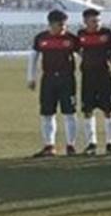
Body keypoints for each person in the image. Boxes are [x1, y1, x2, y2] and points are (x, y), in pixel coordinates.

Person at [27, 10, 80, 157]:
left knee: (69, 112)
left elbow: (83, 54)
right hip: (48, 79)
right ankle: (49, 146)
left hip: (67, 79)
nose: (63, 27)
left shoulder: (71, 39)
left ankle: (71, 146)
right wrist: (31, 78)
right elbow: (33, 57)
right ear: (51, 24)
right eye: (60, 24)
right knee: (47, 113)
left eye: (65, 24)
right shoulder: (41, 38)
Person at [76, 8, 111, 155]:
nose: (97, 23)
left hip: (105, 76)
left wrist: (107, 61)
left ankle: (110, 144)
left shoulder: (107, 34)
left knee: (108, 110)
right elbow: (78, 49)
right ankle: (91, 144)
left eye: (99, 20)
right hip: (88, 77)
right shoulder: (81, 35)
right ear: (85, 21)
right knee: (88, 111)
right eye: (93, 21)